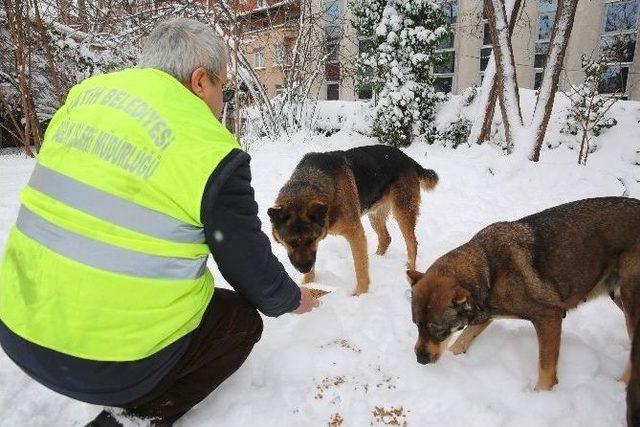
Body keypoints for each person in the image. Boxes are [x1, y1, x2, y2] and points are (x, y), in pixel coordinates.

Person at [0, 17, 319, 427]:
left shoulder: (84, 99)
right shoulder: (207, 147)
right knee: (240, 322)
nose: (222, 100)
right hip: (107, 366)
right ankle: (134, 419)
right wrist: (292, 299)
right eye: (223, 87)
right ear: (200, 81)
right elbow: (248, 267)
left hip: (16, 327)